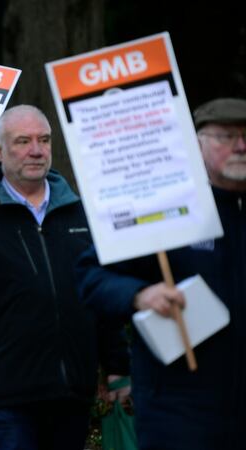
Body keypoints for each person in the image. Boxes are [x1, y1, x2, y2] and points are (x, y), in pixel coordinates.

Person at [0, 105, 130, 450]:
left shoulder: (80, 212)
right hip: (7, 394)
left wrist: (116, 365)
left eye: (43, 140)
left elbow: (101, 293)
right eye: (23, 141)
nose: (36, 150)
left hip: (72, 390)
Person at [76, 97, 246, 449]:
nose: (241, 147)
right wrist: (140, 295)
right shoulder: (161, 203)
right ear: (196, 145)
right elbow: (92, 279)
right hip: (181, 410)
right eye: (226, 136)